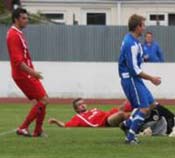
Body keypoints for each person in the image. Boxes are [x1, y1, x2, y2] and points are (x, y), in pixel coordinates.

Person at [118, 14, 162, 145]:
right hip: (131, 78)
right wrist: (151, 78)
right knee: (143, 108)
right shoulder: (131, 44)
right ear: (138, 27)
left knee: (151, 104)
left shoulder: (132, 40)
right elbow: (134, 70)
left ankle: (127, 124)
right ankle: (130, 137)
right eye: (143, 26)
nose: (144, 28)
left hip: (135, 79)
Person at [7, 8, 48, 137]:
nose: (27, 21)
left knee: (42, 100)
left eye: (27, 18)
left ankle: (38, 130)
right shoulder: (13, 35)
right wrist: (33, 72)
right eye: (24, 18)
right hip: (23, 74)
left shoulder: (18, 33)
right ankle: (23, 128)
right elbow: (18, 62)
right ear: (16, 19)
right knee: (43, 100)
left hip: (27, 73)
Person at [48, 98, 131, 128]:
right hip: (107, 121)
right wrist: (56, 121)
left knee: (126, 103)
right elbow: (66, 125)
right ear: (76, 109)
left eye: (83, 103)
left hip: (110, 113)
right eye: (79, 105)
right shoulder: (78, 117)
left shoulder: (92, 110)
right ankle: (139, 121)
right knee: (121, 114)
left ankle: (141, 113)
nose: (82, 105)